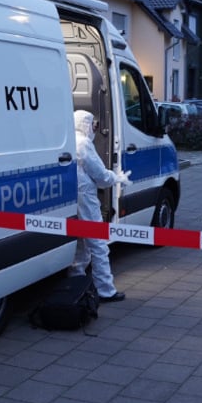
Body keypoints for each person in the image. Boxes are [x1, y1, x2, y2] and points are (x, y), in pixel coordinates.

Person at [70, 110, 131, 303]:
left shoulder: (70, 140)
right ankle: (105, 290)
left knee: (81, 241)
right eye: (92, 125)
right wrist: (117, 178)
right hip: (86, 197)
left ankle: (76, 279)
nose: (94, 129)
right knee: (98, 243)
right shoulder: (84, 143)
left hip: (74, 195)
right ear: (85, 124)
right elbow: (100, 175)